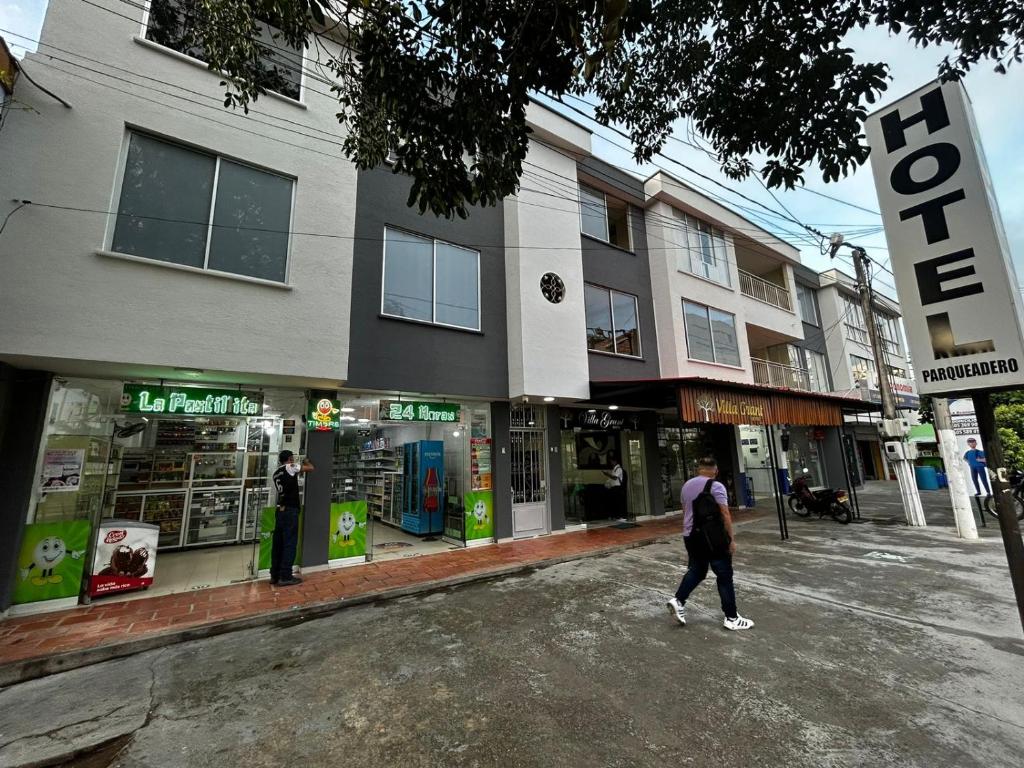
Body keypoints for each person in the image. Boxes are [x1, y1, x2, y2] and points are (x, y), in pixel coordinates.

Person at [666, 456, 754, 631]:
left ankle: (678, 600)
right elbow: (725, 514)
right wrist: (730, 539)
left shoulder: (686, 486)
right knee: (724, 575)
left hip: (690, 535)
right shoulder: (717, 486)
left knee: (698, 570)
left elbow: (686, 512)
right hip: (713, 539)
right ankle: (731, 617)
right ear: (715, 470)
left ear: (699, 469)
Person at [271, 450, 314, 587]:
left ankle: (275, 575)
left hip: (280, 510)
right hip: (290, 510)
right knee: (290, 543)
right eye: (293, 458)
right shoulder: (290, 467)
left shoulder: (276, 473)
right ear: (289, 458)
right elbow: (311, 469)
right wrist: (306, 461)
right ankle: (286, 576)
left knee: (278, 544)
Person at [603, 451, 626, 519]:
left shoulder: (618, 469)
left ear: (614, 461)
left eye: (611, 462)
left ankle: (621, 516)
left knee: (618, 502)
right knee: (615, 502)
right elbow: (611, 479)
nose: (611, 463)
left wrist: (607, 474)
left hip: (618, 488)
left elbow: (614, 477)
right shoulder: (614, 469)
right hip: (613, 488)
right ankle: (616, 516)